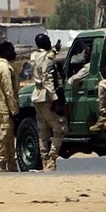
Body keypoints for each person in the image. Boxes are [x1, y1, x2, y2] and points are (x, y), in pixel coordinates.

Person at [30, 33, 67, 171]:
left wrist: (55, 50)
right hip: (46, 97)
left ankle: (45, 160)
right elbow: (48, 79)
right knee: (60, 128)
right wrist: (55, 99)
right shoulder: (49, 60)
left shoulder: (34, 56)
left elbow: (46, 56)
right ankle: (52, 159)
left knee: (43, 131)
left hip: (37, 96)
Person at [0, 41, 20, 172]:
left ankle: (12, 166)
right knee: (4, 138)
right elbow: (9, 91)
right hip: (5, 109)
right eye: (12, 50)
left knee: (8, 140)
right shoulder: (5, 69)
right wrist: (15, 110)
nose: (14, 53)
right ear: (7, 52)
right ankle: (1, 164)